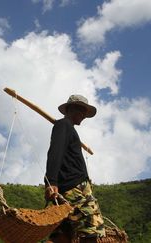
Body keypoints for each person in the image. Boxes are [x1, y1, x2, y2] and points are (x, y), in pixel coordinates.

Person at [44, 94, 105, 243]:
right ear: (71, 109)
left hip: (75, 188)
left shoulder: (69, 129)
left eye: (85, 112)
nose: (84, 115)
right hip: (74, 188)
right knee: (91, 230)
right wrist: (51, 182)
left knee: (63, 234)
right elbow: (55, 152)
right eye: (81, 110)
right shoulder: (63, 125)